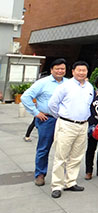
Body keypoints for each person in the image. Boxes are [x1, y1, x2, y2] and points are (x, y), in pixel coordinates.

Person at [48, 61, 94, 199]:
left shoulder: (89, 87)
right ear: (73, 71)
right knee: (61, 156)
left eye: (84, 70)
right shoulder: (65, 86)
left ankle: (70, 182)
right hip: (67, 125)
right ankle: (57, 185)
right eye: (79, 70)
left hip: (83, 125)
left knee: (76, 156)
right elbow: (52, 104)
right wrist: (62, 117)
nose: (81, 73)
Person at [21, 58, 67, 186]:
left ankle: (62, 175)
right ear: (52, 70)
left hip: (64, 120)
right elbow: (25, 97)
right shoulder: (43, 83)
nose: (60, 71)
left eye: (62, 68)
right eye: (57, 68)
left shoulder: (68, 83)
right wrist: (36, 113)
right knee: (43, 148)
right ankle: (40, 174)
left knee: (64, 149)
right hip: (47, 120)